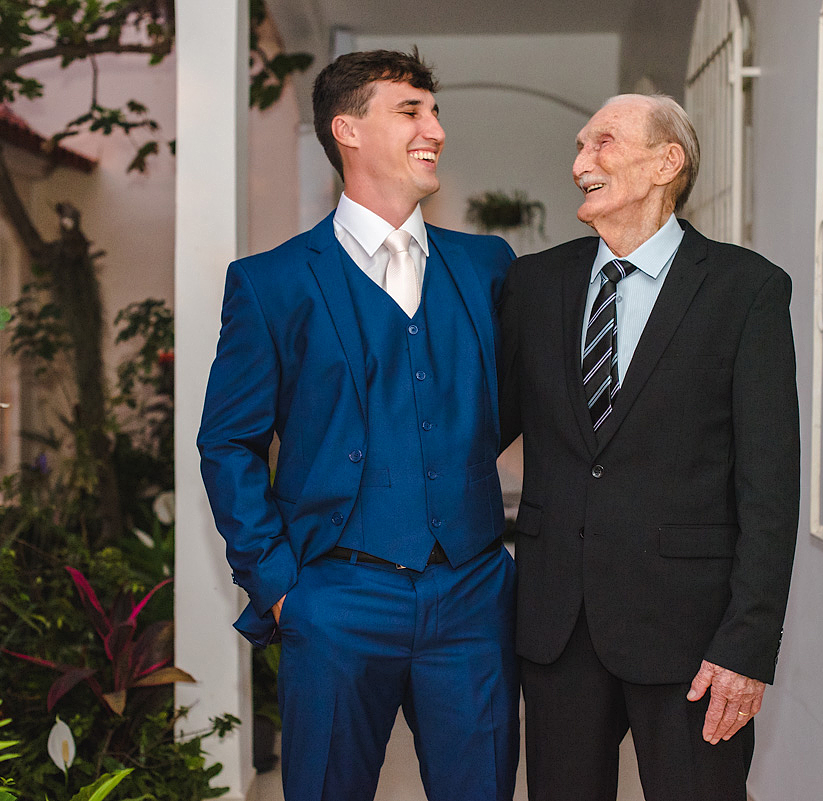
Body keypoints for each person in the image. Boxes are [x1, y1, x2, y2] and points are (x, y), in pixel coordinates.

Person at [198, 49, 519, 801]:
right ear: (347, 129)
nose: (435, 129)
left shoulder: (488, 267)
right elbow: (228, 441)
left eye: (434, 112)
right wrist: (280, 586)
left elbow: (518, 405)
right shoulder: (272, 282)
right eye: (411, 111)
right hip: (334, 597)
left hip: (471, 597)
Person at [498, 93, 799, 801]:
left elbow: (770, 487)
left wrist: (746, 647)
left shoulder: (747, 289)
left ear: (667, 162)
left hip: (692, 638)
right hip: (557, 629)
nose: (580, 162)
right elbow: (480, 430)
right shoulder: (534, 284)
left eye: (602, 142)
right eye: (578, 146)